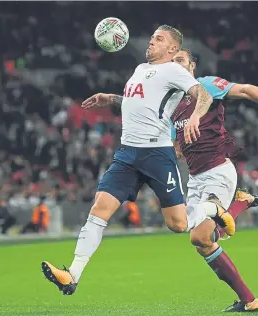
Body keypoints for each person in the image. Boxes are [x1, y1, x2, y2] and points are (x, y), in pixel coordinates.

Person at [41, 25, 236, 296]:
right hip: (127, 154)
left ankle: (213, 210)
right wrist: (109, 98)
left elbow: (201, 94)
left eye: (159, 39)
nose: (151, 41)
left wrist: (194, 117)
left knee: (178, 224)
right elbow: (139, 103)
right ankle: (71, 274)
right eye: (152, 37)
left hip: (157, 154)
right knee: (99, 209)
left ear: (172, 49)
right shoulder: (140, 70)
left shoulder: (174, 70)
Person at [170, 49, 258, 313]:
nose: (175, 64)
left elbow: (245, 90)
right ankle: (249, 300)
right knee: (200, 242)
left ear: (192, 66)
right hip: (195, 180)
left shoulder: (207, 85)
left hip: (218, 172)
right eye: (172, 61)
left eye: (180, 59)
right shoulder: (173, 105)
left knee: (200, 234)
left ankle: (237, 205)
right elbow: (176, 147)